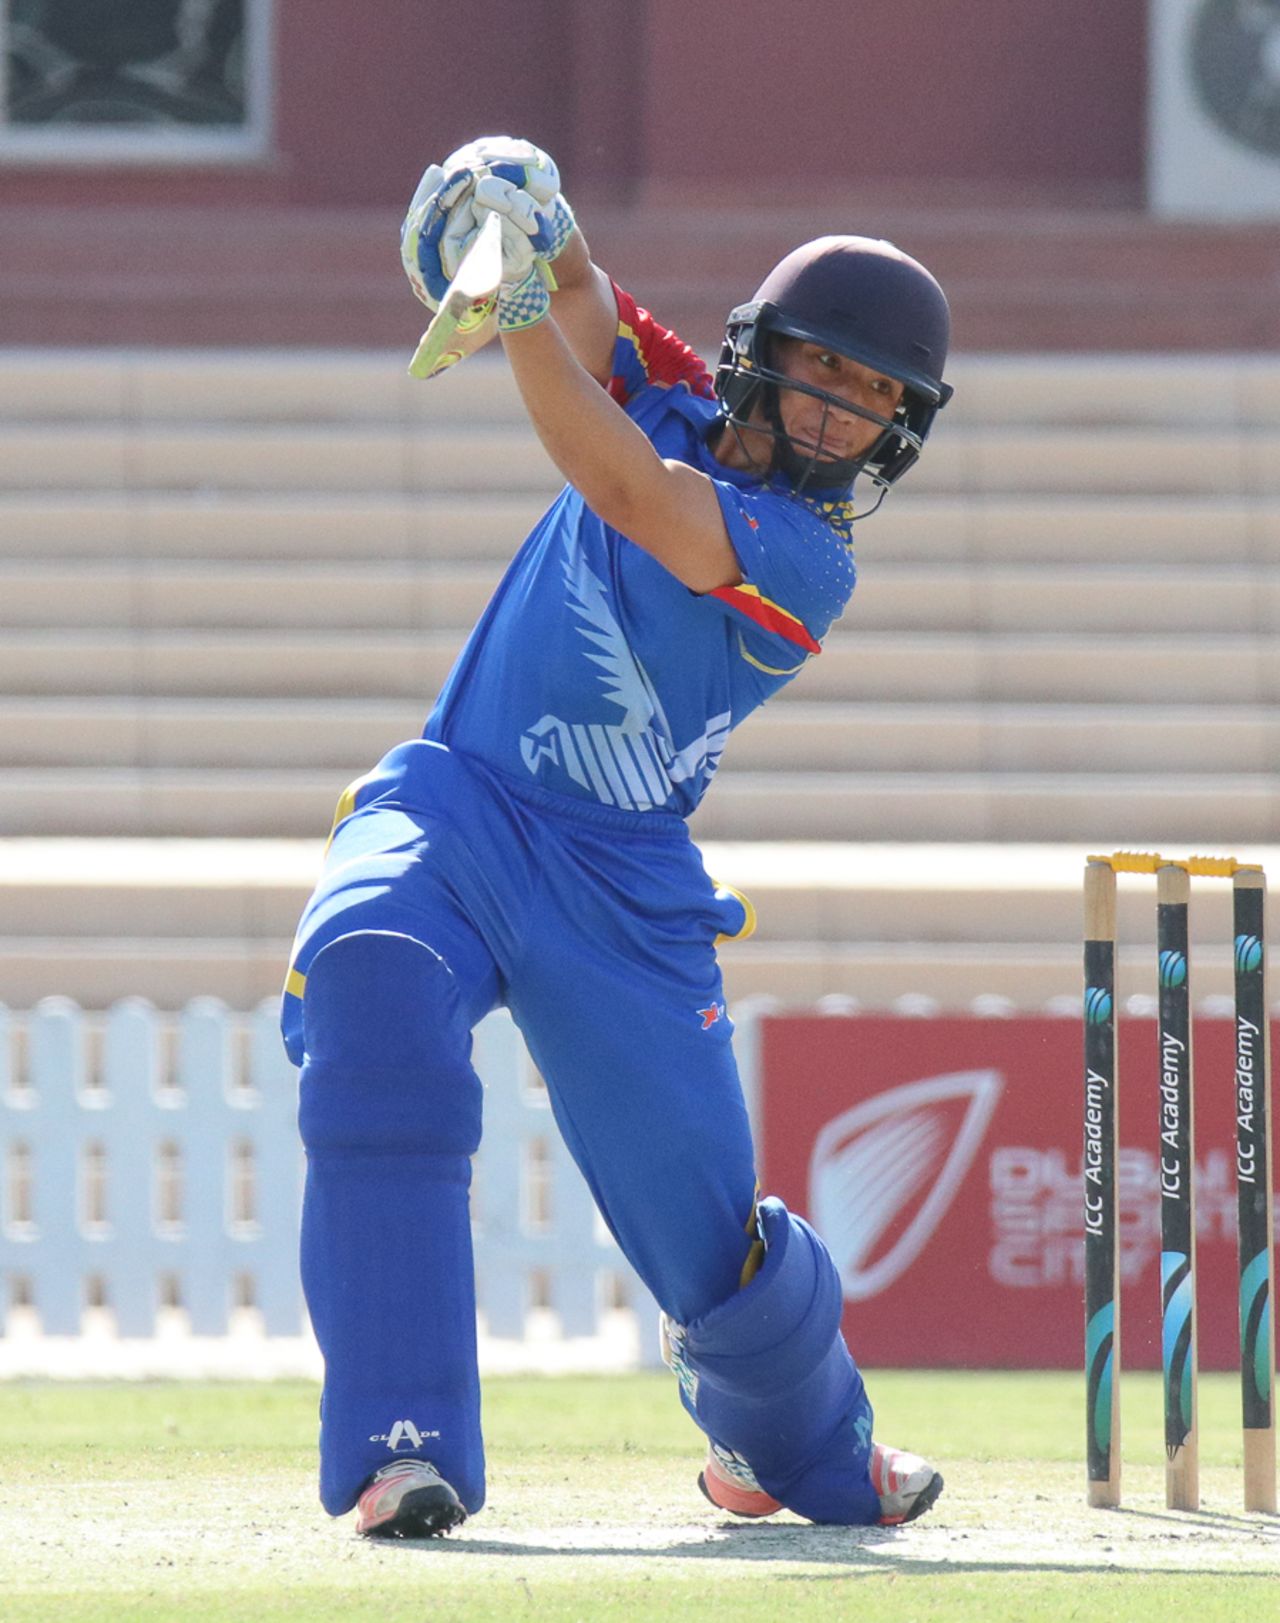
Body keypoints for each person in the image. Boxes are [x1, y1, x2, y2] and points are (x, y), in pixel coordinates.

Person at [281, 135, 953, 1539]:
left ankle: (800, 1451)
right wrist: (524, 207)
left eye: (873, 396)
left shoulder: (806, 559)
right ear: (765, 355)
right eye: (825, 369)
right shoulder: (685, 399)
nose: (838, 413)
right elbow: (585, 293)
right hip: (460, 803)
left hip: (622, 889)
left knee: (714, 1252)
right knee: (369, 973)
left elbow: (626, 493)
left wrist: (513, 308)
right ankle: (403, 1447)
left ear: (900, 428)